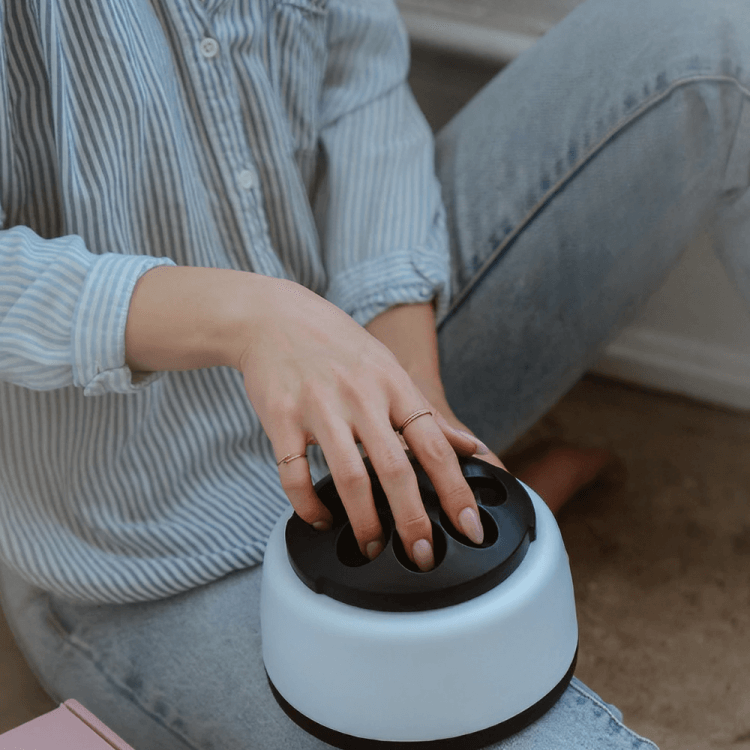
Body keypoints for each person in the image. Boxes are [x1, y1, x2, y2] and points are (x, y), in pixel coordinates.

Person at [0, 0, 748, 746]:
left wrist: (412, 388)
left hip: (359, 350)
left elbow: (357, 84)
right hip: (134, 538)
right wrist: (249, 318)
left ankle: (416, 474)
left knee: (717, 35)